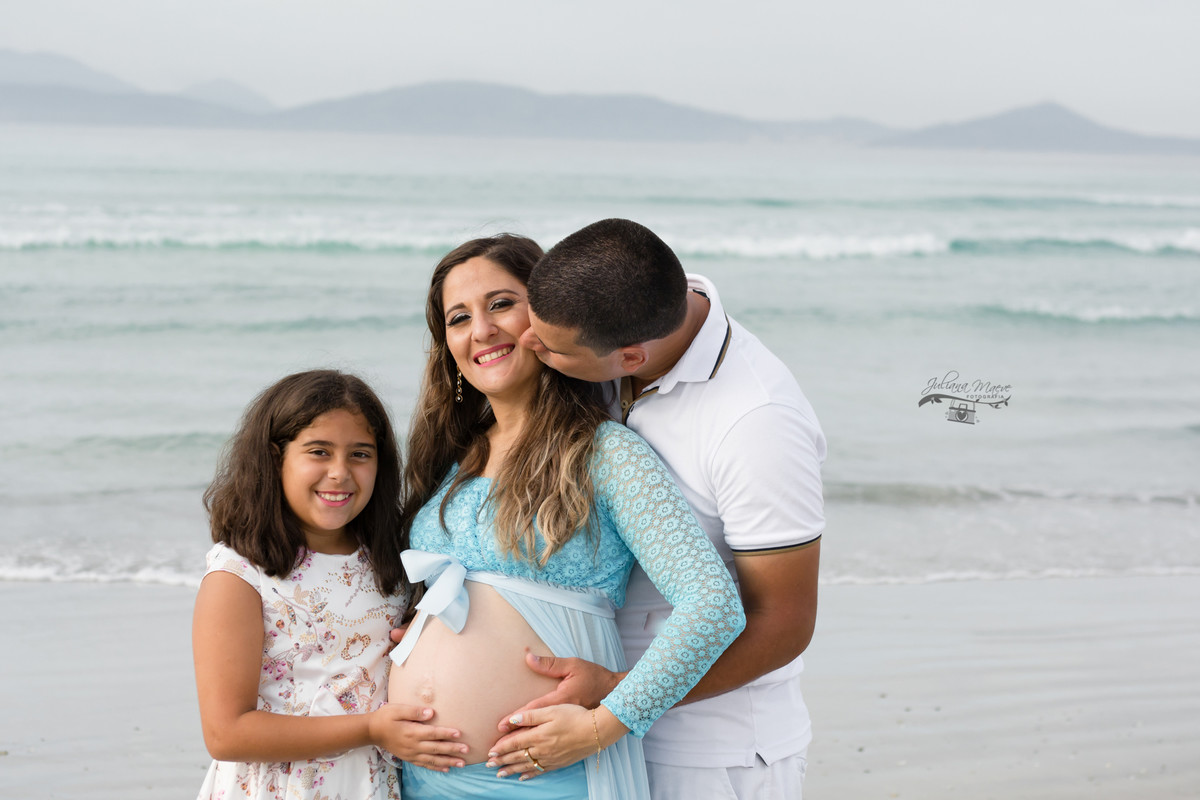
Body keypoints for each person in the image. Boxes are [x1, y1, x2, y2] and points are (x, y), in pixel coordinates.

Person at [386, 234, 746, 800]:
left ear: (546, 317)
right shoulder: (450, 458)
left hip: (549, 780)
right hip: (422, 778)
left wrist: (608, 722)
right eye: (458, 317)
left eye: (501, 303)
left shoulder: (607, 453)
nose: (480, 330)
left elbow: (713, 605)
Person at [495, 218, 827, 800]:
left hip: (711, 754)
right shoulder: (614, 323)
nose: (529, 345)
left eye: (551, 347)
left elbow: (785, 621)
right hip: (604, 733)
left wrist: (617, 705)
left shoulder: (756, 422)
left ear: (629, 356)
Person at [193, 369, 466, 800]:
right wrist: (371, 728)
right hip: (281, 788)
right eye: (319, 451)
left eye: (360, 454)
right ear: (274, 457)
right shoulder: (240, 575)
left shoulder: (393, 560)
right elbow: (226, 733)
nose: (339, 473)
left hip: (375, 783)